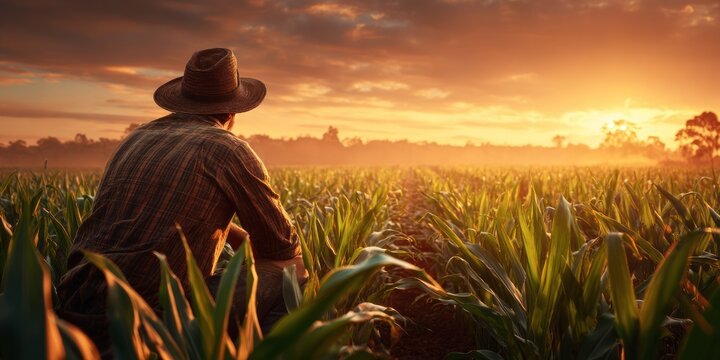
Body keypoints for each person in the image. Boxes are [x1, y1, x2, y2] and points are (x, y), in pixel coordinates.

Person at [56, 48, 307, 356]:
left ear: (183, 99)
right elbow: (282, 249)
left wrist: (237, 237)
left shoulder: (136, 138)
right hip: (153, 317)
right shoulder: (229, 149)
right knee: (290, 273)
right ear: (232, 112)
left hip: (76, 304)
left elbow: (161, 216)